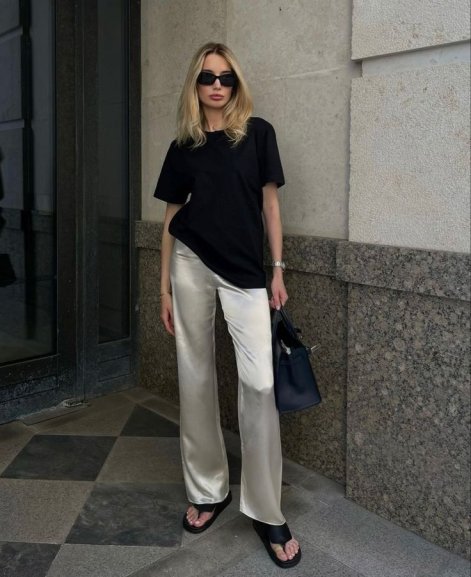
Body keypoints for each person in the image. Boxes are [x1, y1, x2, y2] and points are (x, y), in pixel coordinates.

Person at [154, 42, 301, 569]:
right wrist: (163, 288)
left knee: (259, 383)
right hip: (190, 262)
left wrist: (277, 269)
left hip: (244, 273)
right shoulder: (184, 146)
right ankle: (207, 488)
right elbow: (171, 218)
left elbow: (270, 206)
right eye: (207, 77)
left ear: (236, 84)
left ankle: (265, 509)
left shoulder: (257, 134)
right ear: (195, 85)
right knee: (194, 375)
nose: (217, 86)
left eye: (226, 78)